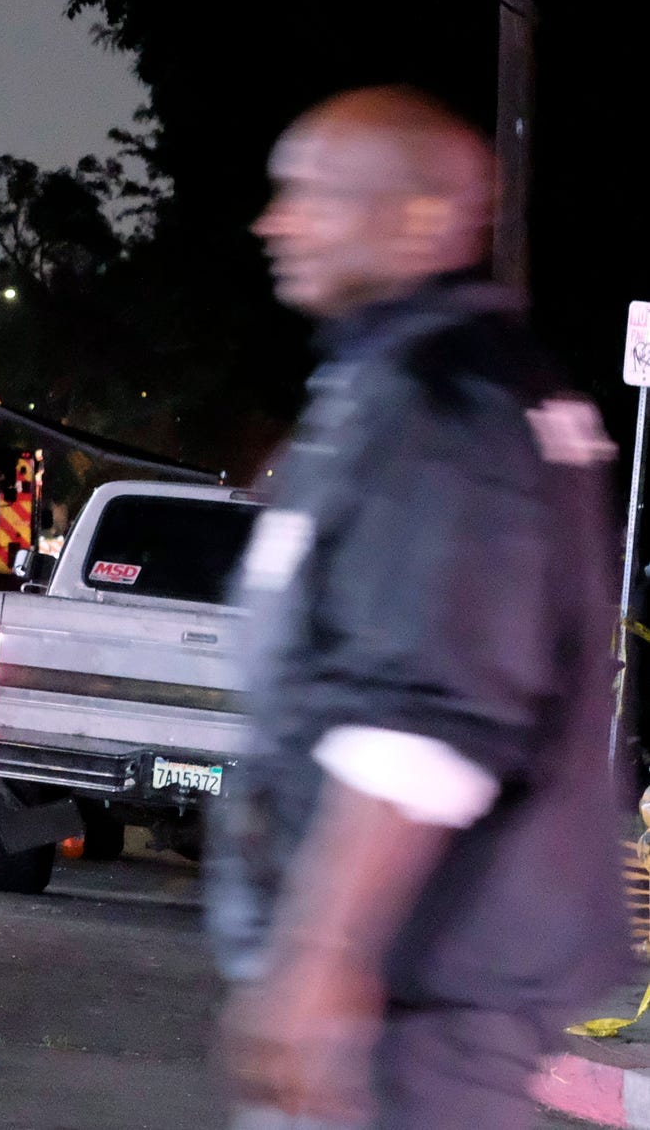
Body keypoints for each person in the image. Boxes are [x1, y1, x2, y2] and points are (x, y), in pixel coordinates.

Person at [215, 86, 628, 1129]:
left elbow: (421, 716)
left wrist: (323, 957)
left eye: (310, 192)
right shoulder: (428, 384)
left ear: (415, 218)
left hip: (413, 1008)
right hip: (416, 996)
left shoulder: (445, 405)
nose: (277, 220)